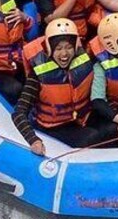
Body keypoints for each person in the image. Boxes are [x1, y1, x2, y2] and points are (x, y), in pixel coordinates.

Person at [11, 19, 100, 155]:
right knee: (92, 137)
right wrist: (33, 140)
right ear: (50, 48)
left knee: (111, 129)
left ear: (75, 47)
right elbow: (18, 113)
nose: (64, 54)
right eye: (58, 48)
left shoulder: (83, 62)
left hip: (80, 119)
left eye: (69, 47)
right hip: (52, 127)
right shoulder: (38, 74)